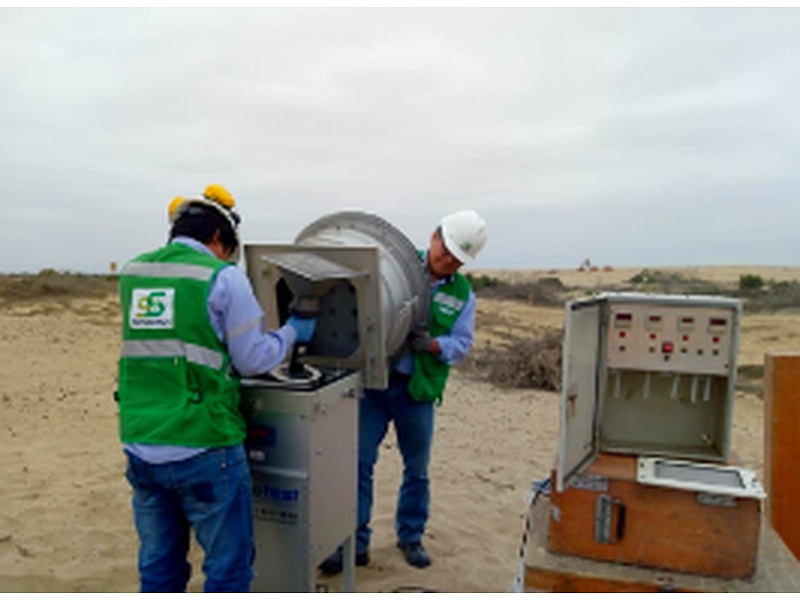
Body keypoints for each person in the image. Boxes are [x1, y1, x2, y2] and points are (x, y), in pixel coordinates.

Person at [116, 184, 317, 592]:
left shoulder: (133, 273)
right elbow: (253, 359)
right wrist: (292, 332)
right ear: (217, 239)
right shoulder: (222, 278)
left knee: (159, 567)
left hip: (140, 443)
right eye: (228, 249)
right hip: (203, 445)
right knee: (228, 570)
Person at [319, 209, 488, 574]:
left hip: (418, 391)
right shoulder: (391, 264)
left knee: (417, 470)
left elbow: (462, 343)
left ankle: (410, 537)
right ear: (433, 236)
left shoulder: (462, 295)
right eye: (445, 251)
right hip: (375, 385)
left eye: (457, 259)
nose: (447, 261)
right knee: (359, 463)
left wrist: (433, 346)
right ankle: (354, 543)